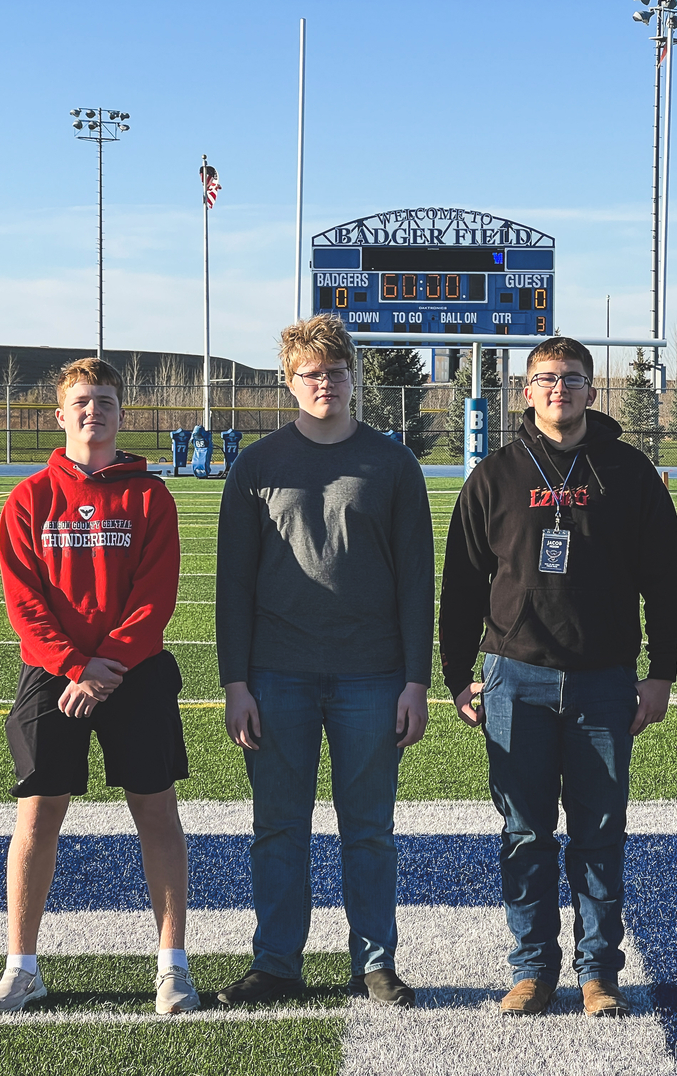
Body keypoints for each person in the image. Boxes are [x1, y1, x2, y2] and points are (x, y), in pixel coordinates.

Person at [439, 335, 677, 1018]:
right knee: (524, 833)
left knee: (600, 834)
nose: (559, 390)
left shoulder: (630, 473)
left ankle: (598, 972)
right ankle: (531, 969)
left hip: (605, 679)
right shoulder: (492, 475)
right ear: (526, 390)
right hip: (514, 677)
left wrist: (661, 670)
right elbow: (461, 583)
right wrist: (456, 673)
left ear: (591, 391)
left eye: (572, 379)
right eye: (546, 378)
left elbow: (664, 578)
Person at [215, 314, 434, 1009]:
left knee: (368, 830)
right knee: (278, 826)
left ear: (352, 377)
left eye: (334, 372)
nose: (324, 384)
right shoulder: (257, 465)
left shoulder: (392, 463)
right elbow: (233, 583)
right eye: (310, 374)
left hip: (371, 676)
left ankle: (375, 962)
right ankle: (277, 962)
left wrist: (416, 680)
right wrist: (235, 682)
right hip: (277, 674)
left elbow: (416, 579)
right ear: (290, 382)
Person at [0, 358, 197, 1015]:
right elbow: (25, 602)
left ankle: (173, 966)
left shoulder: (150, 497)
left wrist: (107, 665)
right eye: (80, 401)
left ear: (120, 413)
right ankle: (22, 967)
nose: (92, 411)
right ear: (60, 414)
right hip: (55, 674)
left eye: (104, 400)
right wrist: (76, 666)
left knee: (156, 812)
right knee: (37, 817)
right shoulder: (29, 498)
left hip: (135, 674)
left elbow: (154, 598)